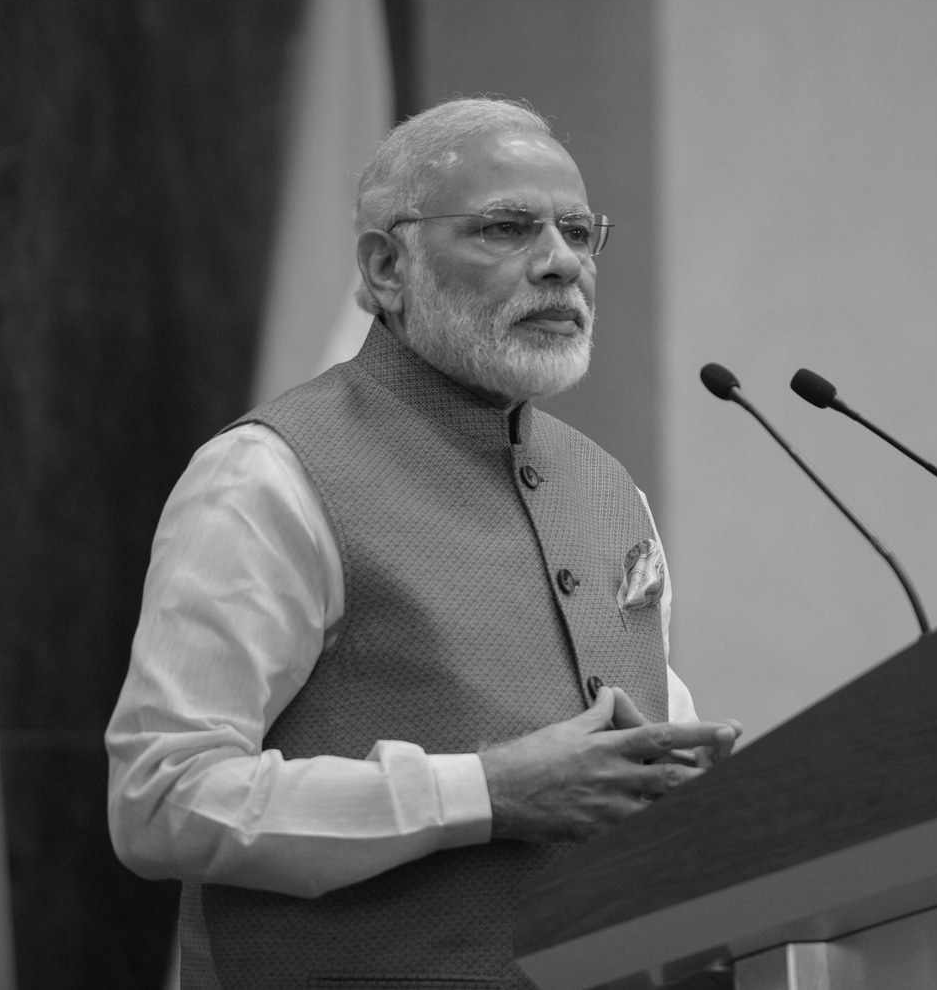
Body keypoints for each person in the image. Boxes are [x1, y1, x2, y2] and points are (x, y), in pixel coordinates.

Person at [105, 96, 741, 988]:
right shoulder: (264, 478)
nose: (561, 264)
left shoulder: (611, 491)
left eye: (579, 232)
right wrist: (482, 793)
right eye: (508, 228)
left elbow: (636, 760)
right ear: (386, 266)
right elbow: (161, 801)